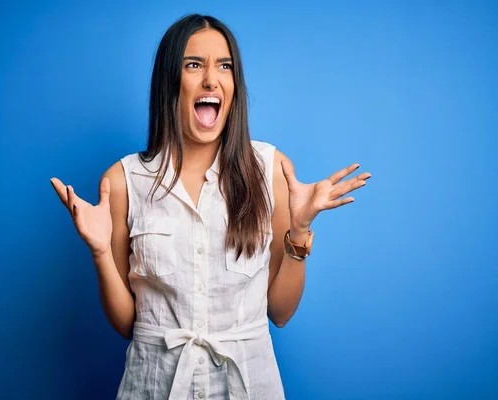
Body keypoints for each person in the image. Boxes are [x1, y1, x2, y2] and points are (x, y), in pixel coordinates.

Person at [50, 13, 371, 400]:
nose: (210, 79)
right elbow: (126, 323)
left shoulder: (270, 172)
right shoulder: (122, 181)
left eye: (224, 66)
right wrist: (101, 252)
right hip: (152, 387)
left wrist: (299, 231)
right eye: (193, 65)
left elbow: (281, 312)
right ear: (170, 82)